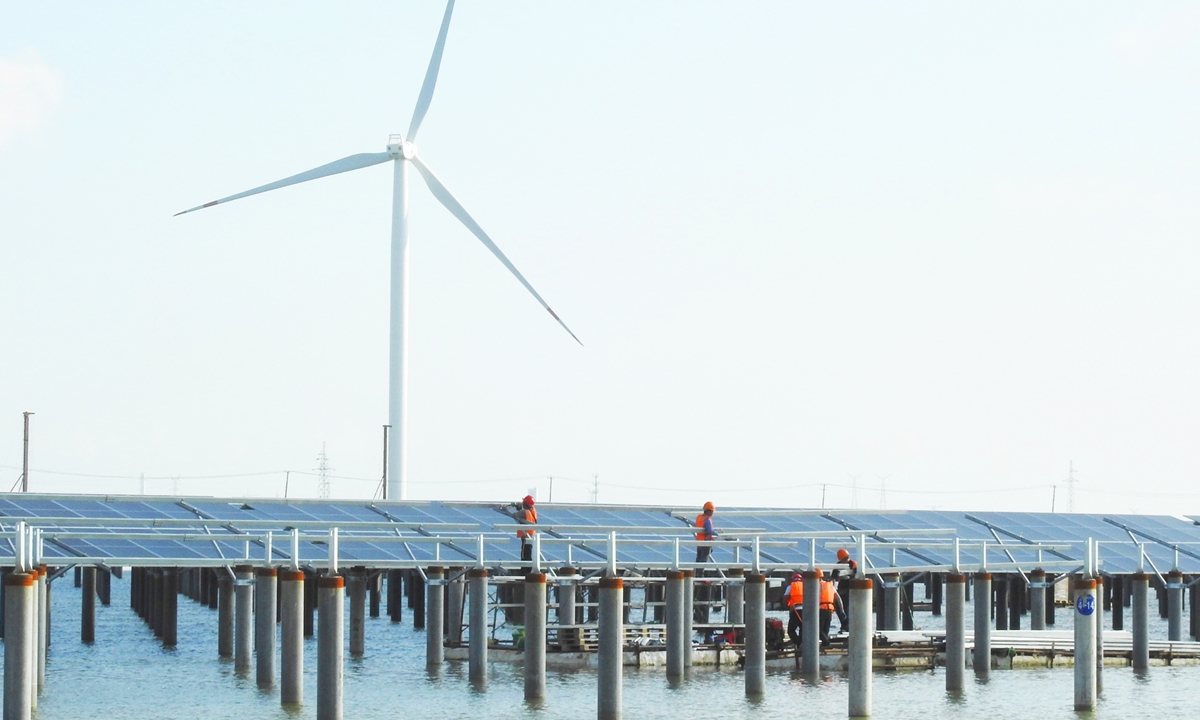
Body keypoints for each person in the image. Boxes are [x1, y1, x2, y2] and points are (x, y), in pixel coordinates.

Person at [831, 548, 857, 632]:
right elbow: (833, 577)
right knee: (839, 608)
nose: (845, 560)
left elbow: (856, 575)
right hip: (841, 589)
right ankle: (844, 624)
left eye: (846, 558)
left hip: (851, 589)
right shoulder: (838, 566)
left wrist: (848, 576)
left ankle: (847, 626)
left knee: (847, 608)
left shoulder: (853, 564)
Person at [515, 495, 537, 562]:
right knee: (528, 554)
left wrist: (504, 509)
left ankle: (525, 567)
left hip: (526, 536)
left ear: (525, 504)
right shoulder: (533, 511)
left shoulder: (523, 512)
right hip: (531, 535)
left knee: (525, 555)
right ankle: (528, 566)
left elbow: (513, 515)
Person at [785, 572, 804, 647]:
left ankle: (798, 643)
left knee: (791, 630)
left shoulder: (790, 587)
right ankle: (802, 644)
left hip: (795, 610)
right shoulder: (806, 586)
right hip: (805, 610)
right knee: (803, 629)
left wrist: (786, 605)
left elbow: (785, 597)